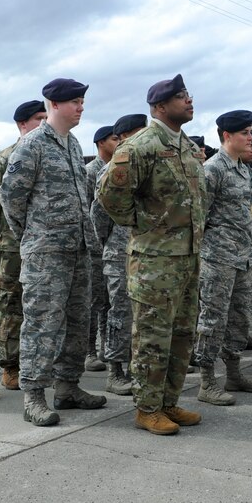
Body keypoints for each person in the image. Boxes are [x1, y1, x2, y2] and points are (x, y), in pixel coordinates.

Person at [98, 73, 206, 436]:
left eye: (188, 95)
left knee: (181, 333)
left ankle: (169, 401)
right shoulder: (140, 146)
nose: (189, 100)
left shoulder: (187, 147)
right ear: (160, 106)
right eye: (181, 96)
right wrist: (142, 223)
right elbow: (110, 195)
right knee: (152, 336)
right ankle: (147, 408)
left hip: (188, 257)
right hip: (154, 261)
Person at [0, 78, 106, 427]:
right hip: (46, 254)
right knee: (42, 324)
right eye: (75, 101)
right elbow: (11, 197)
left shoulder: (73, 145)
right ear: (54, 104)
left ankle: (68, 386)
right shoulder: (33, 145)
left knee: (78, 322)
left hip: (78, 250)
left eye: (82, 102)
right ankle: (33, 395)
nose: (80, 108)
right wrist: (34, 236)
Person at [193, 110, 252, 405]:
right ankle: (207, 381)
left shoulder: (243, 170)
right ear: (227, 136)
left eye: (251, 132)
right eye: (245, 133)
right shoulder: (213, 170)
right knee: (212, 320)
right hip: (218, 259)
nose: (251, 138)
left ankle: (234, 373)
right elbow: (199, 217)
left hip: (243, 257)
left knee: (239, 318)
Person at [0, 100, 48, 390]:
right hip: (11, 247)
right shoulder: (5, 159)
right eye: (38, 118)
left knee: (41, 307)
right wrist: (11, 233)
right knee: (10, 306)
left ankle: (39, 364)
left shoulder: (49, 153)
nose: (44, 123)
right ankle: (10, 366)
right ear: (22, 124)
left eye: (47, 117)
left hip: (42, 245)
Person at [92, 114, 147, 395]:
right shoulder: (113, 170)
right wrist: (107, 246)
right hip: (119, 252)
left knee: (143, 314)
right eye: (138, 134)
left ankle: (137, 367)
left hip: (145, 252)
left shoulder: (149, 165)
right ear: (123, 138)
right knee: (121, 312)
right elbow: (99, 216)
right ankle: (115, 370)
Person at [84, 126, 120, 372]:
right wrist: (97, 241)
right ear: (100, 143)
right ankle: (89, 351)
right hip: (95, 245)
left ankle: (109, 346)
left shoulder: (119, 169)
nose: (118, 142)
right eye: (114, 139)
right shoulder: (91, 172)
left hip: (112, 245)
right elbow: (90, 211)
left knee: (110, 302)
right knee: (94, 300)